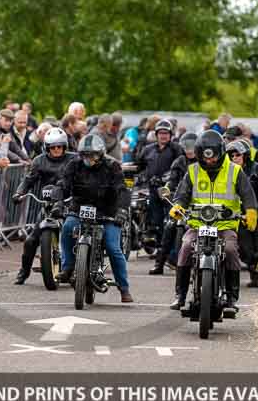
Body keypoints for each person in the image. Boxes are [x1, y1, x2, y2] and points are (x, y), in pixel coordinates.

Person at [170, 130, 257, 316]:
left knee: (231, 250)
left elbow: (248, 195)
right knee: (185, 247)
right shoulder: (192, 170)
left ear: (220, 152)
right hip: (197, 224)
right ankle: (180, 295)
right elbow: (182, 195)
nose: (209, 161)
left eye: (213, 157)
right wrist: (177, 206)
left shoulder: (235, 170)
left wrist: (250, 212)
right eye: (205, 157)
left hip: (225, 225)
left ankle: (232, 298)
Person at [56, 134, 133, 302]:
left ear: (101, 154)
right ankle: (68, 266)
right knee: (68, 228)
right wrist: (58, 202)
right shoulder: (74, 165)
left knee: (113, 247)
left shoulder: (112, 166)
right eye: (85, 155)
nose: (88, 159)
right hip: (79, 209)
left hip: (108, 213)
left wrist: (121, 211)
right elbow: (63, 184)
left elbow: (122, 189)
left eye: (92, 155)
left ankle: (124, 287)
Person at [11, 128, 74, 284]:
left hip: (70, 203)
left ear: (65, 146)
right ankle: (24, 271)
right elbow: (28, 180)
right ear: (47, 147)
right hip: (47, 205)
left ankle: (77, 268)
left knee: (77, 236)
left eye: (59, 146)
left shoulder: (74, 160)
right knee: (31, 240)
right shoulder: (39, 161)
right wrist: (19, 193)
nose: (56, 150)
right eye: (53, 147)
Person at [136, 119, 182, 275]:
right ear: (156, 135)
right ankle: (161, 257)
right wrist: (141, 177)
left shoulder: (177, 149)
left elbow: (181, 168)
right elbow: (139, 166)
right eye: (161, 133)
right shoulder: (147, 149)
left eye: (166, 133)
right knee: (156, 223)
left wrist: (165, 179)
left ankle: (172, 256)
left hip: (170, 191)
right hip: (152, 191)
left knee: (172, 222)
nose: (163, 136)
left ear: (170, 135)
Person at [227, 139, 258, 289]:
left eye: (238, 155)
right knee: (246, 250)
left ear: (245, 155)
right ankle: (253, 271)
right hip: (240, 217)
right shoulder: (227, 172)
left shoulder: (257, 169)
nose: (235, 158)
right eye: (231, 155)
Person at [160, 132, 197, 293]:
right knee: (169, 226)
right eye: (186, 146)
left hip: (199, 204)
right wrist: (168, 187)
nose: (189, 150)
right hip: (181, 201)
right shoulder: (179, 161)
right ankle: (160, 263)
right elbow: (173, 178)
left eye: (192, 146)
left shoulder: (203, 162)